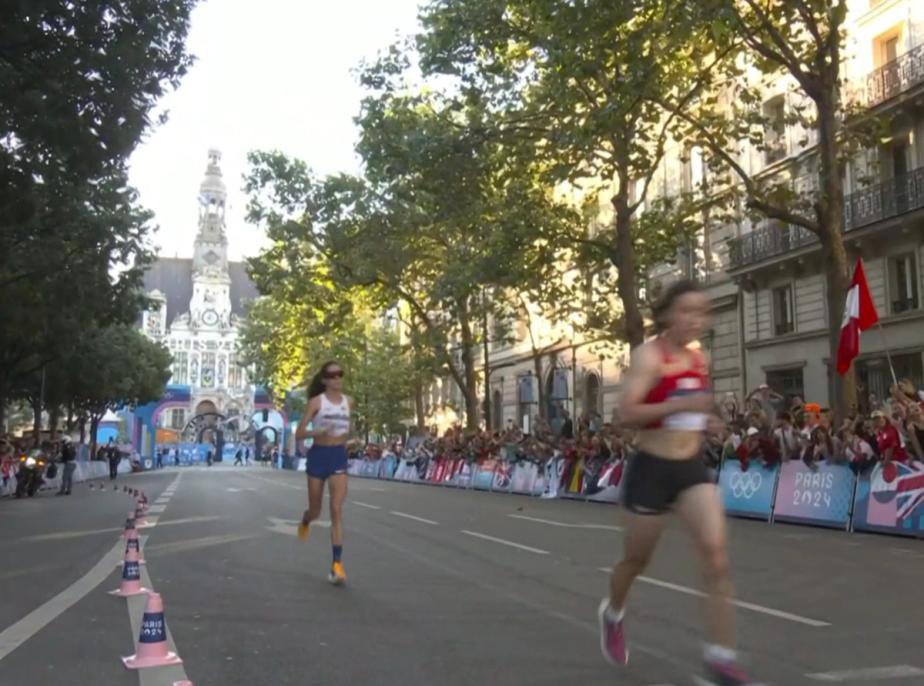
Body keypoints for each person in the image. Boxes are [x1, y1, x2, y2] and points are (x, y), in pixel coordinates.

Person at [598, 279, 755, 685]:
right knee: (637, 561)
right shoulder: (648, 356)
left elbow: (697, 407)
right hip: (651, 468)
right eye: (687, 311)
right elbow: (627, 413)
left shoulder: (699, 358)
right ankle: (613, 612)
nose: (695, 320)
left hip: (689, 469)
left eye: (702, 312)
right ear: (668, 313)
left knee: (716, 556)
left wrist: (709, 420)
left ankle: (721, 657)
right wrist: (682, 404)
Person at [295, 360, 353, 586]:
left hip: (338, 455)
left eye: (340, 374)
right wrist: (315, 431)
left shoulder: (349, 401)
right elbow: (299, 433)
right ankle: (306, 519)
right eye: (333, 375)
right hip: (318, 455)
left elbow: (348, 429)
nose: (337, 378)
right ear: (324, 380)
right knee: (316, 510)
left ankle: (337, 565)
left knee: (336, 510)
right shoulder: (316, 402)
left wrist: (350, 439)